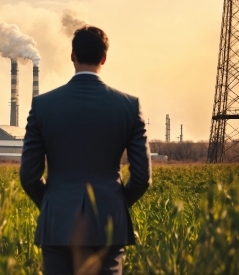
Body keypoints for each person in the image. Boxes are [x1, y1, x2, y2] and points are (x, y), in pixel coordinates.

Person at [19, 25, 151, 275]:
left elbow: (29, 176)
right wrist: (115, 202)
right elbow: (142, 178)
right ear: (104, 58)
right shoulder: (129, 106)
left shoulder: (42, 106)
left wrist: (52, 201)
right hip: (108, 224)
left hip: (57, 222)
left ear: (72, 55)